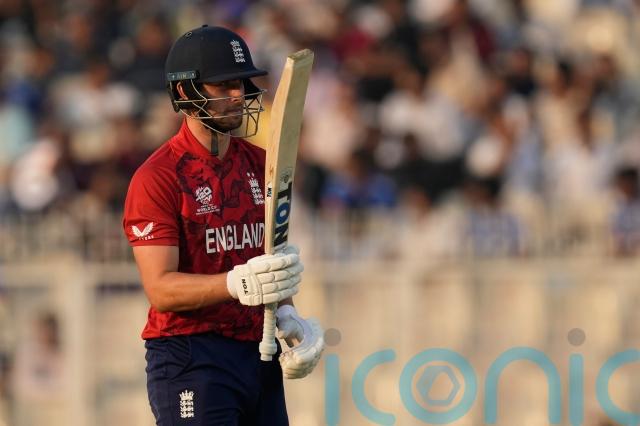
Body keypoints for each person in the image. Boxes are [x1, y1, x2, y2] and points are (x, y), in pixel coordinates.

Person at [122, 25, 324, 425]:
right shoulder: (158, 177)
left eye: (241, 83)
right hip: (191, 355)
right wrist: (235, 284)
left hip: (258, 351)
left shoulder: (261, 164)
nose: (239, 95)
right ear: (186, 91)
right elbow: (161, 288)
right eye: (224, 85)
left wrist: (289, 316)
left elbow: (268, 260)